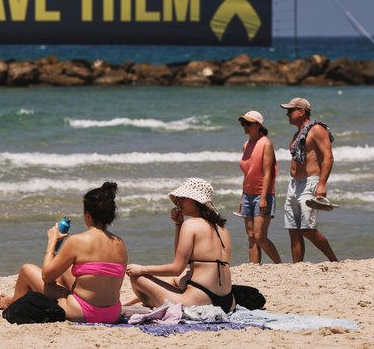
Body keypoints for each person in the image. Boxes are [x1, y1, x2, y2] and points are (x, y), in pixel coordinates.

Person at [0, 182, 128, 324]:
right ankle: (17, 298)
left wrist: (52, 242)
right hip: (113, 314)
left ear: (87, 216)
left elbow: (46, 277)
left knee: (26, 270)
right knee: (65, 270)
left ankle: (13, 302)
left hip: (84, 312)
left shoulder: (77, 241)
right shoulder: (120, 244)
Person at [126, 178, 235, 313]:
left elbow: (176, 267)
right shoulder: (223, 229)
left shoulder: (191, 224)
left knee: (137, 277)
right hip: (228, 302)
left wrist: (142, 269)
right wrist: (178, 224)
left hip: (199, 302)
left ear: (196, 200)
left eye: (183, 198)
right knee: (180, 277)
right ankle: (132, 301)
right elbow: (181, 262)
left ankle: (150, 303)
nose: (178, 201)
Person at [280, 97, 338, 263]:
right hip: (294, 185)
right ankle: (297, 266)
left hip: (310, 182)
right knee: (293, 229)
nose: (287, 114)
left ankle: (334, 261)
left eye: (290, 111)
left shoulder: (317, 129)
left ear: (302, 111)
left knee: (308, 229)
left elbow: (328, 157)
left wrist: (322, 184)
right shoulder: (298, 133)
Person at [236, 111, 282, 264]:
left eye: (248, 123)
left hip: (263, 195)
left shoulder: (266, 143)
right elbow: (247, 174)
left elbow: (268, 173)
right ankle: (254, 268)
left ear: (258, 125)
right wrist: (242, 197)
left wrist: (263, 198)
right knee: (251, 236)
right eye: (243, 123)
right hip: (247, 195)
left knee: (260, 236)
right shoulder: (245, 144)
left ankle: (280, 265)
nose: (245, 127)